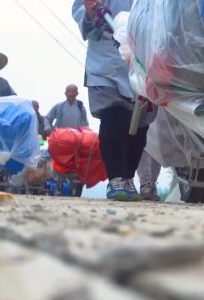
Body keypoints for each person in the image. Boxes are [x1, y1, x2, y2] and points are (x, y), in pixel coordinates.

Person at [73, 0, 157, 201]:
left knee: (141, 124)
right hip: (107, 62)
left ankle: (128, 177)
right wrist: (91, 12)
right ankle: (116, 178)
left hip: (145, 60)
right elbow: (82, 12)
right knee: (114, 117)